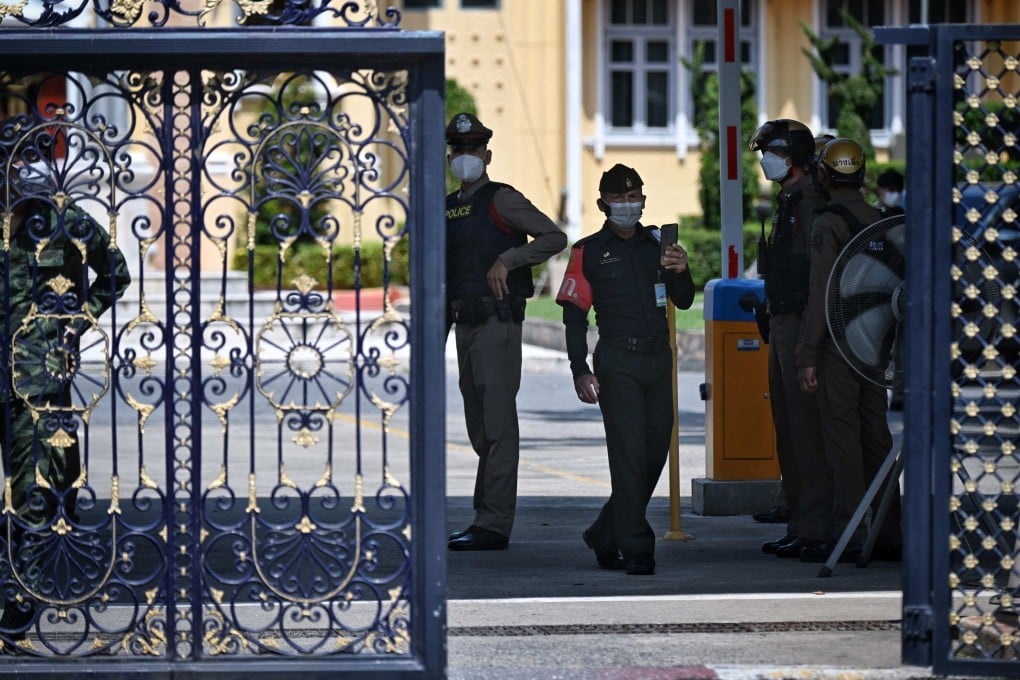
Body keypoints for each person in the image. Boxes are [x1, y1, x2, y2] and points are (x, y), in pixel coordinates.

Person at [0, 152, 132, 642]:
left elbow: (115, 273)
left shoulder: (62, 218)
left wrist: (74, 320)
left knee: (33, 485)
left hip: (38, 374)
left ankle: (23, 592)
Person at [556, 163, 694, 576]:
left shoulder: (658, 245)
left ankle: (604, 529)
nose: (627, 204)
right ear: (602, 204)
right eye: (618, 198)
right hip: (617, 360)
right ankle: (637, 546)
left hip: (658, 357)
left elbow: (683, 300)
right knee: (628, 454)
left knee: (653, 453)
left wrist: (681, 270)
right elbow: (574, 317)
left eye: (634, 197)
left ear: (644, 201)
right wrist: (579, 369)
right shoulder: (588, 251)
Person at [444, 112, 567, 551]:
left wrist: (509, 260)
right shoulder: (450, 207)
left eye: (473, 149)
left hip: (497, 323)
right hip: (465, 325)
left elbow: (554, 237)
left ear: (487, 154)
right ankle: (485, 515)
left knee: (497, 426)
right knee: (479, 427)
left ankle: (494, 523)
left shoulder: (501, 200)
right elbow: (448, 274)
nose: (465, 156)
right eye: (458, 150)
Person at [796, 138, 902, 563]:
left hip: (839, 345)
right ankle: (890, 530)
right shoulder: (878, 219)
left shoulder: (828, 223)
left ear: (824, 174)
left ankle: (851, 533)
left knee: (843, 440)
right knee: (877, 437)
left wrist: (807, 354)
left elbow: (822, 291)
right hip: (874, 345)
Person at [747, 119, 835, 559]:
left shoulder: (810, 204)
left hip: (801, 322)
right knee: (787, 428)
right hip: (783, 320)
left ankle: (817, 527)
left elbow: (818, 279)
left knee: (806, 432)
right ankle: (800, 521)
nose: (765, 161)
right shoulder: (789, 202)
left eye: (771, 153)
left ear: (792, 158)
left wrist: (808, 347)